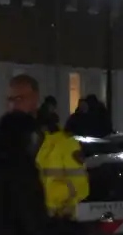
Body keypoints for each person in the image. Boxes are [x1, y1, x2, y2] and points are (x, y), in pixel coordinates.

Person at [9, 75, 90, 218]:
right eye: (11, 100)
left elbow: (81, 187)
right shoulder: (6, 141)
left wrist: (43, 198)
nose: (14, 105)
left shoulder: (63, 142)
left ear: (35, 98)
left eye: (20, 99)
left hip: (54, 226)